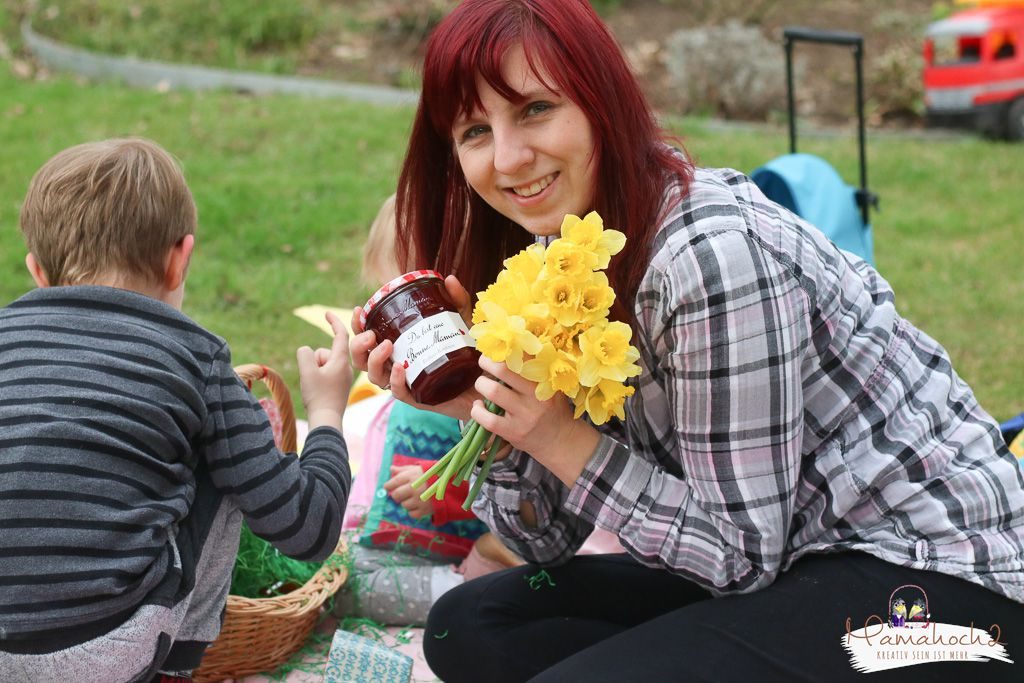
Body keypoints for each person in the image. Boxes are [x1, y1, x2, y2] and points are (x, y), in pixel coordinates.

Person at [349, 1, 1024, 681]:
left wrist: (558, 437)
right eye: (474, 130)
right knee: (471, 625)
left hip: (943, 588)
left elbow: (738, 554)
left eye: (533, 110)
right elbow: (541, 538)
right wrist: (481, 406)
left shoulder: (708, 257)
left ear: (599, 100)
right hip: (791, 564)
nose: (508, 158)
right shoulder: (557, 253)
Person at [0, 138, 353, 683]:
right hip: (103, 653)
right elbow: (308, 530)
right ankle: (172, 671)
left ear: (36, 271)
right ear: (179, 258)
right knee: (231, 445)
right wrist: (327, 411)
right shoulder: (197, 357)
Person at [336, 193, 523, 626]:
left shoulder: (474, 380)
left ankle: (476, 589)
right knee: (333, 563)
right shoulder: (409, 373)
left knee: (348, 589)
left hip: (444, 542)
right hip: (396, 537)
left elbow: (510, 479)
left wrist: (441, 490)